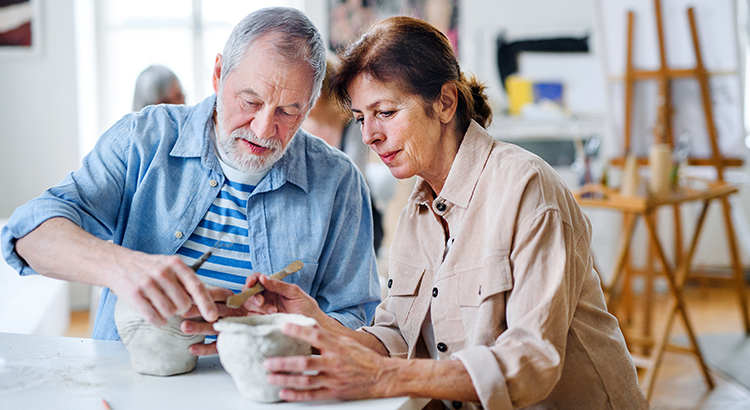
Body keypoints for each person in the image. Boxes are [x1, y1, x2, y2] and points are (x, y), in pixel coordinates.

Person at [235, 16, 649, 409]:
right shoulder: (418, 208)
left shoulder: (525, 187)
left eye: (386, 112)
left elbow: (531, 361)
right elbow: (395, 335)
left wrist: (384, 377)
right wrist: (313, 321)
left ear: (446, 102)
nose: (370, 135)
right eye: (361, 118)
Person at [0, 7, 381, 347]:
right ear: (218, 75)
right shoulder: (143, 139)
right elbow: (27, 235)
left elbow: (356, 322)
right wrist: (121, 267)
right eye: (250, 102)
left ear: (310, 106)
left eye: (288, 111)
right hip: (132, 381)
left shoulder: (338, 182)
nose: (264, 129)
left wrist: (288, 330)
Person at [302, 53, 384, 252]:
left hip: (353, 208)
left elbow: (355, 179)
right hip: (311, 210)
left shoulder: (354, 124)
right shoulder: (298, 126)